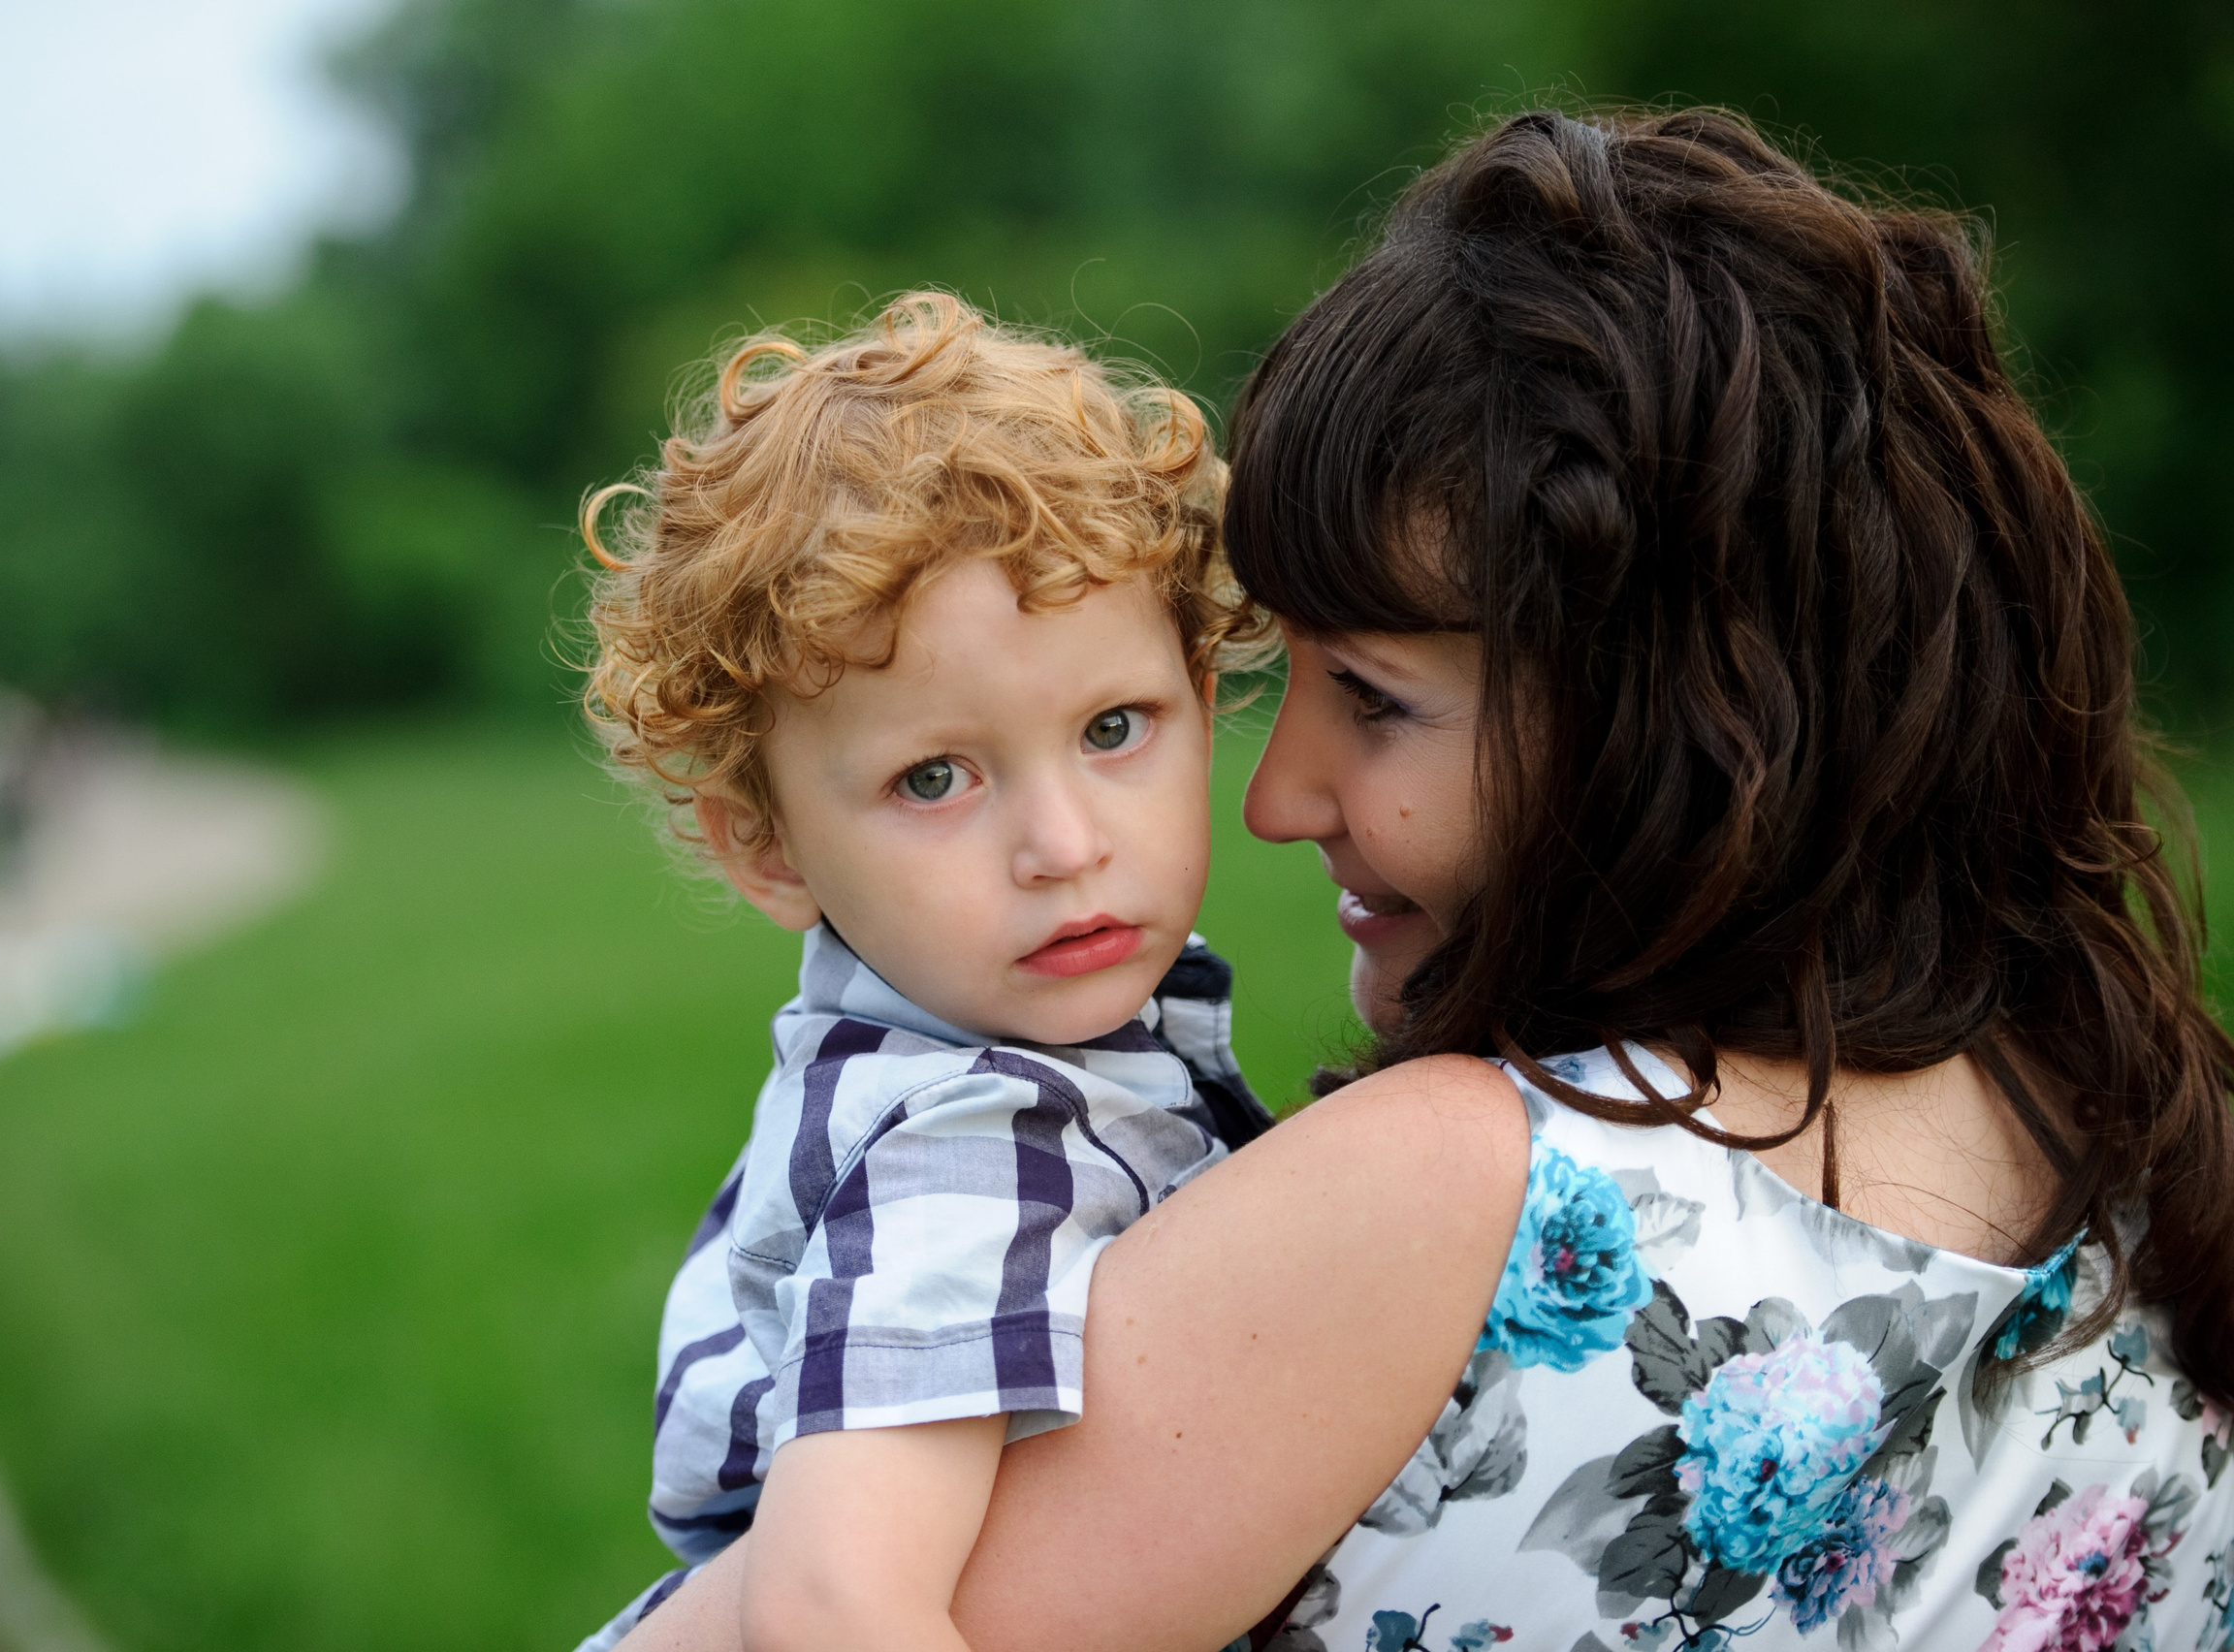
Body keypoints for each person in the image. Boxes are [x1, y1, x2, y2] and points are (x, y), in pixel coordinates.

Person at [620, 108, 2234, 1652]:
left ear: (1675, 720)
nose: (1273, 799)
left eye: (1374, 698)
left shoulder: (1454, 1194)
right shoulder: (2124, 1137)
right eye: (936, 777)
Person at [576, 293, 1280, 1651]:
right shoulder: (970, 1139)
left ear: (1202, 700)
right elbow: (834, 1605)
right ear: (769, 846)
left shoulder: (1010, 1058)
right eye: (935, 778)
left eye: (1114, 727)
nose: (1063, 846)